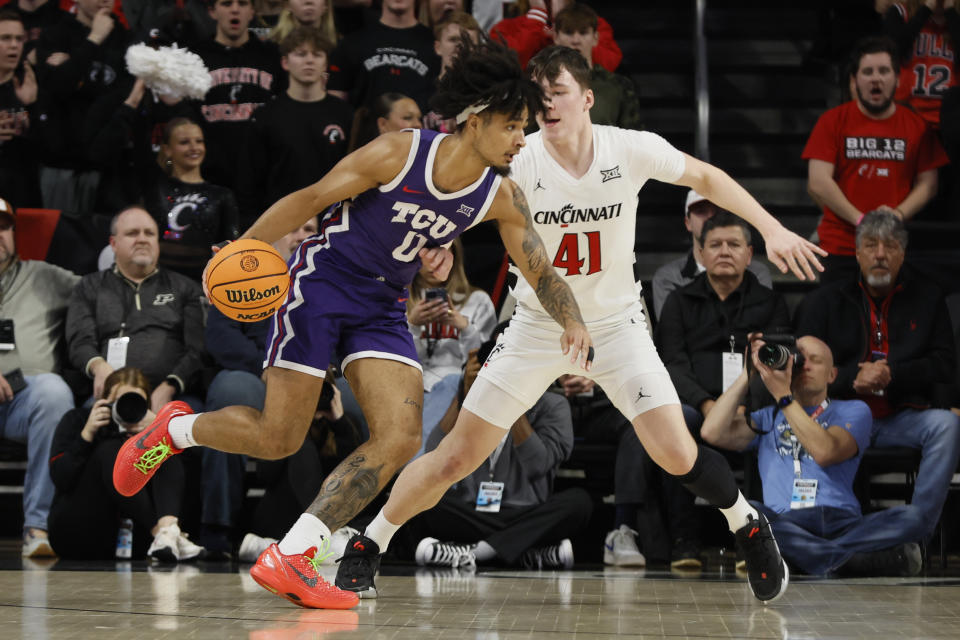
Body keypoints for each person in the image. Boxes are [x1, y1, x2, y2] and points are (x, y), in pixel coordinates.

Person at [112, 37, 594, 610]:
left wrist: (574, 321)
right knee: (278, 437)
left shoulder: (500, 196)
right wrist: (241, 248)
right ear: (476, 119)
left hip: (385, 305)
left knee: (401, 436)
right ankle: (174, 431)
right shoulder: (399, 153)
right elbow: (308, 199)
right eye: (514, 126)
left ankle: (295, 552)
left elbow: (541, 270)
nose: (523, 139)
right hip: (321, 283)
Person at [338, 45, 826, 604]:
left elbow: (707, 177)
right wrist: (440, 246)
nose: (546, 104)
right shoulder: (518, 158)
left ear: (587, 98)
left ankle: (747, 524)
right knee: (455, 456)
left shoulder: (629, 148)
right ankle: (369, 543)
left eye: (558, 92)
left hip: (616, 325)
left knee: (676, 452)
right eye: (538, 95)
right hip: (537, 325)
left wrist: (772, 229)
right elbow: (458, 202)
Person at [795, 209, 960, 544]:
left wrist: (891, 374)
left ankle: (914, 536)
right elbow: (803, 370)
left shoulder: (928, 298)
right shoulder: (826, 301)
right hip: (842, 418)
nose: (880, 254)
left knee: (948, 425)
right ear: (857, 253)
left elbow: (944, 364)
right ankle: (830, 531)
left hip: (901, 415)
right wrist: (851, 379)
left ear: (903, 253)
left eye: (890, 246)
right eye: (870, 246)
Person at [701, 336, 926, 576]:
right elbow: (711, 432)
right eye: (798, 360)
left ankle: (807, 558)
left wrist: (784, 397)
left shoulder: (854, 410)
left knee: (913, 516)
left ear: (832, 375)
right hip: (787, 520)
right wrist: (750, 373)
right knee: (752, 514)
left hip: (844, 522)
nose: (805, 365)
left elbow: (825, 452)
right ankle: (845, 562)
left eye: (815, 361)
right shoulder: (767, 417)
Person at [650, 211, 790, 568]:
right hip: (698, 404)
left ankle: (757, 541)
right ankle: (685, 541)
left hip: (750, 402)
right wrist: (706, 402)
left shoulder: (770, 302)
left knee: (768, 419)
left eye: (734, 244)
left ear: (749, 253)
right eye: (715, 244)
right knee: (676, 421)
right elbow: (671, 364)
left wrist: (745, 404)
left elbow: (777, 360)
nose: (724, 251)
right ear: (700, 253)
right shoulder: (680, 302)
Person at [409, 335, 592, 570]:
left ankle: (476, 552)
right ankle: (526, 552)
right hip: (475, 512)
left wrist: (512, 400)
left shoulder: (552, 405)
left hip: (525, 511)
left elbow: (539, 464)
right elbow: (434, 453)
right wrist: (466, 394)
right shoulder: (472, 403)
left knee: (579, 503)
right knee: (421, 498)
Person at [802, 36, 949, 283]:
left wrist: (898, 215)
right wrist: (862, 220)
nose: (876, 78)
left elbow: (929, 184)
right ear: (854, 80)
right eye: (867, 71)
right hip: (841, 247)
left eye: (883, 71)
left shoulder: (916, 126)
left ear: (898, 79)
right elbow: (818, 182)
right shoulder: (832, 121)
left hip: (893, 249)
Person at [47, 367, 206, 562]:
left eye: (136, 403)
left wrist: (159, 428)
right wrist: (87, 435)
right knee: (113, 451)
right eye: (121, 402)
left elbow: (194, 470)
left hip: (138, 541)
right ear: (104, 402)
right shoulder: (79, 420)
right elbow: (60, 478)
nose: (128, 410)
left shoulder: (151, 428)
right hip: (79, 532)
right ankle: (162, 533)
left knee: (165, 448)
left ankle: (166, 531)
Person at [65, 206, 205, 410]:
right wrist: (99, 366)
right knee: (83, 424)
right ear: (113, 243)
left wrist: (171, 386)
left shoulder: (185, 288)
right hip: (111, 395)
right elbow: (79, 341)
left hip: (171, 396)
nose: (142, 239)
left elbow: (198, 350)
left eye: (149, 233)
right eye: (132, 233)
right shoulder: (89, 287)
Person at [0, 196, 79, 557]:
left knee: (53, 390)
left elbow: (101, 290)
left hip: (23, 398)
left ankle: (38, 527)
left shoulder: (45, 276)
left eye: (3, 226)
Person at [237, 26, 352, 226]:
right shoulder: (265, 116)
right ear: (285, 62)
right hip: (280, 224)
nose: (309, 60)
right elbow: (249, 184)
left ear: (326, 63)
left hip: (334, 226)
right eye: (300, 54)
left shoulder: (345, 114)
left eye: (317, 54)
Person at [33, 0, 130, 212]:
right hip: (61, 166)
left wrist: (72, 64)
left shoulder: (126, 40)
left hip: (109, 167)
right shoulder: (55, 35)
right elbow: (57, 86)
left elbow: (124, 97)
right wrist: (93, 40)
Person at [407, 238, 496, 458]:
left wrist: (464, 327)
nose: (433, 264)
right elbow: (398, 359)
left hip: (455, 383)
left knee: (450, 381)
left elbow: (485, 361)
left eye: (440, 254)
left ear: (453, 256)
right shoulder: (401, 300)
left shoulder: (477, 300)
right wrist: (413, 325)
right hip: (411, 380)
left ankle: (414, 470)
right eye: (425, 255)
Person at [194, 0, 283, 191]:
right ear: (212, 11)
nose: (235, 9)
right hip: (209, 174)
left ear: (252, 11)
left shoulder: (272, 55)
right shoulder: (195, 57)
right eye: (226, 4)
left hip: (262, 174)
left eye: (242, 4)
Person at [651, 189, 772, 321]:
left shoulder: (757, 272)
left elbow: (760, 324)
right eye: (701, 211)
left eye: (717, 211)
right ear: (688, 223)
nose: (710, 217)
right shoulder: (668, 277)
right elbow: (672, 331)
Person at [144, 117, 241, 281]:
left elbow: (231, 247)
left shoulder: (222, 195)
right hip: (158, 282)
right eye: (184, 142)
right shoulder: (155, 190)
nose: (194, 147)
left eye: (199, 141)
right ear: (167, 149)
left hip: (204, 285)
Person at [326, 0, 439, 111]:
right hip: (366, 128)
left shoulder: (435, 45)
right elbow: (335, 103)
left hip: (419, 128)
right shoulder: (352, 43)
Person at [551, 3, 640, 130]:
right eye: (569, 32)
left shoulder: (619, 86)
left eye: (583, 33)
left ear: (595, 37)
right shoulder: (541, 87)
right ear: (556, 37)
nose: (576, 40)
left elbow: (633, 137)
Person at [884, 0, 960, 128]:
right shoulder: (901, 13)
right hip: (907, 110)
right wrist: (925, 9)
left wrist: (951, 12)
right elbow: (894, 51)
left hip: (952, 117)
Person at [490, 0, 622, 72]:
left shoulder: (593, 24)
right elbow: (508, 66)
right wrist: (537, 16)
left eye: (582, 33)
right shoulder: (505, 28)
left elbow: (607, 65)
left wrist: (562, 21)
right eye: (569, 32)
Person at [0, 10, 41, 209]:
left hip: (23, 199)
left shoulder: (31, 84)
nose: (14, 45)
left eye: (19, 39)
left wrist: (31, 106)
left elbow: (48, 149)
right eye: (5, 38)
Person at [422, 10, 480, 134]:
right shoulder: (419, 90)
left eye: (467, 41)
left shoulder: (486, 96)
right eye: (453, 39)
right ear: (437, 47)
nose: (460, 45)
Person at [268, 0, 338, 46]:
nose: (308, 1)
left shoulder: (340, 47)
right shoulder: (271, 47)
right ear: (287, 5)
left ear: (326, 4)